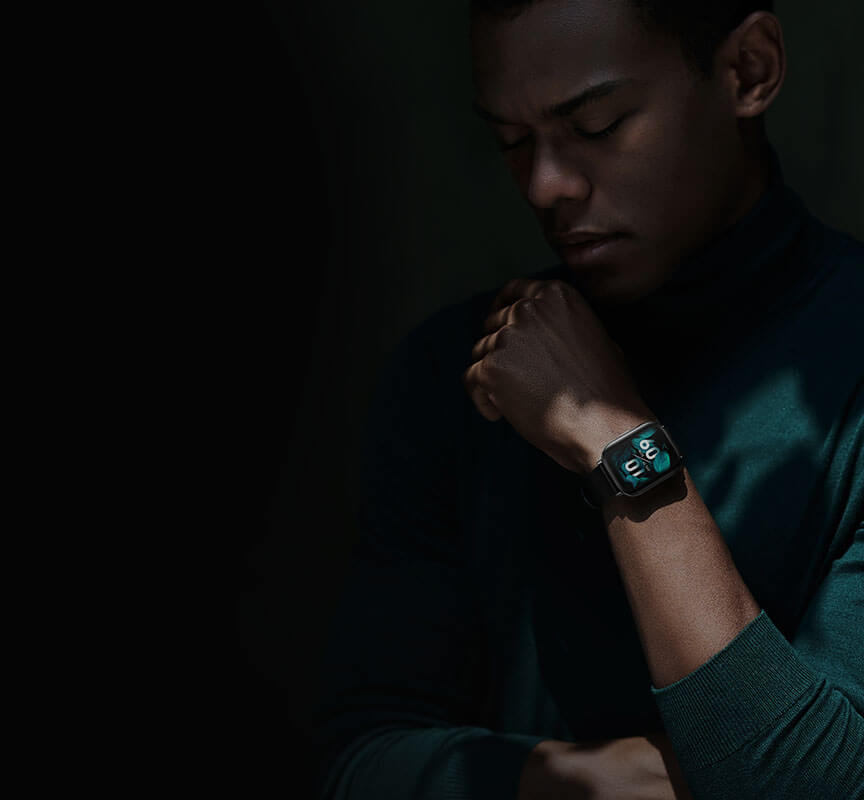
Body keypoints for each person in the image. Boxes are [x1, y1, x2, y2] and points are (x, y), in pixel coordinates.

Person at [311, 1, 864, 798]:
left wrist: (614, 436)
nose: (546, 186)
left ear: (750, 70)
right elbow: (361, 763)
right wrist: (629, 781)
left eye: (597, 126)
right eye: (511, 140)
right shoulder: (457, 372)